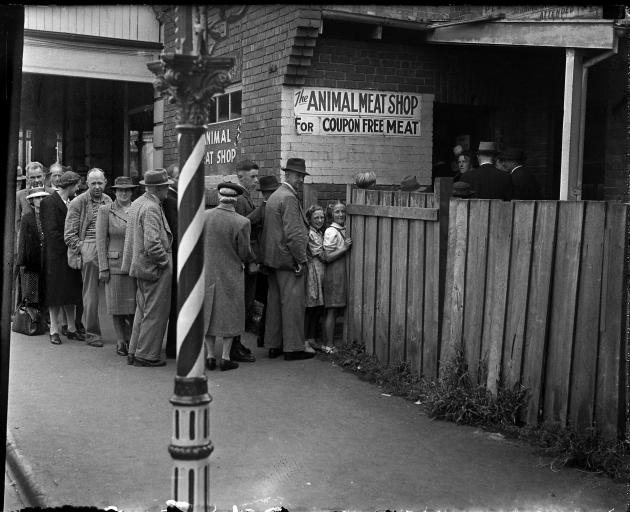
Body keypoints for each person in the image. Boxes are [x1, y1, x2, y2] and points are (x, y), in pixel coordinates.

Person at [260, 157, 314, 361]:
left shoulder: (275, 195)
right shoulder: (289, 197)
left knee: (274, 304)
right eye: (298, 175)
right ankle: (293, 348)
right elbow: (294, 234)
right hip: (288, 260)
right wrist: (301, 259)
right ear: (287, 175)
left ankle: (274, 345)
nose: (300, 179)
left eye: (302, 176)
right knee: (293, 304)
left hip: (273, 259)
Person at [122, 168, 173, 367]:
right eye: (165, 186)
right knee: (155, 313)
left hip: (140, 266)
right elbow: (152, 243)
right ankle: (147, 355)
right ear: (157, 188)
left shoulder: (137, 203)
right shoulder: (151, 207)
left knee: (142, 311)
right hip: (154, 268)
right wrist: (164, 262)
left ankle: (134, 351)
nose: (167, 189)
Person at [202, 182, 254, 372]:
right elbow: (245, 251)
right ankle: (224, 357)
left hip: (207, 271)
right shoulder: (242, 222)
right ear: (235, 199)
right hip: (231, 273)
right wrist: (250, 259)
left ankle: (209, 356)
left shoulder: (204, 217)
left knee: (208, 312)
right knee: (230, 314)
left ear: (219, 197)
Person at [64, 168, 111, 346]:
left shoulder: (108, 200)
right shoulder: (78, 202)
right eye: (93, 183)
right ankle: (92, 334)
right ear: (87, 184)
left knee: (115, 292)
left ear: (105, 182)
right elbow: (69, 235)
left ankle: (125, 335)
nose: (97, 187)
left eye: (100, 183)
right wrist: (84, 249)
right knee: (91, 295)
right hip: (89, 246)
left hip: (108, 247)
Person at [40, 171, 85, 345]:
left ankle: (71, 328)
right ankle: (54, 330)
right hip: (56, 255)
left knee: (71, 291)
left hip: (69, 254)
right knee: (55, 293)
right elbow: (51, 232)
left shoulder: (71, 202)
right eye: (76, 186)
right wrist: (71, 243)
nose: (78, 189)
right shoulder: (49, 202)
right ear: (71, 186)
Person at [96, 176, 138, 357]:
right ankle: (121, 340)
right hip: (114, 264)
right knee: (116, 306)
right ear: (114, 191)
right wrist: (103, 267)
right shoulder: (106, 210)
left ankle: (132, 339)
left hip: (134, 265)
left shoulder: (138, 208)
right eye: (120, 190)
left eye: (127, 190)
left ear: (131, 192)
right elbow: (100, 240)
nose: (123, 193)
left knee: (133, 306)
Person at [232, 159, 260, 363]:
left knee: (246, 303)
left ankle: (236, 343)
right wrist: (262, 210)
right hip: (246, 257)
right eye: (253, 177)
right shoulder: (241, 199)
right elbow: (243, 228)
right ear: (240, 177)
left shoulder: (246, 197)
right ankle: (234, 345)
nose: (256, 180)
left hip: (249, 257)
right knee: (243, 303)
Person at [246, 175, 279, 347]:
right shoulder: (264, 208)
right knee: (269, 300)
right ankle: (263, 336)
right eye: (270, 192)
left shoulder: (268, 207)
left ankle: (264, 337)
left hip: (268, 260)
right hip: (267, 262)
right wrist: (254, 250)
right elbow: (245, 223)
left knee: (268, 300)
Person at [322, 201, 352, 348]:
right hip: (334, 273)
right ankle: (328, 345)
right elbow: (327, 257)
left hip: (342, 273)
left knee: (339, 308)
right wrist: (344, 248)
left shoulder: (344, 228)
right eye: (337, 212)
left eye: (343, 211)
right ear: (331, 214)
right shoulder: (331, 232)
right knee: (332, 309)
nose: (341, 214)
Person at [16, 187, 49, 307]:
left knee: (47, 294)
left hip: (48, 260)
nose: (40, 200)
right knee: (32, 296)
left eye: (43, 197)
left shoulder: (51, 216)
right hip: (32, 261)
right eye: (37, 197)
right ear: (31, 201)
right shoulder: (27, 218)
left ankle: (48, 322)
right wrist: (21, 261)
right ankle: (34, 322)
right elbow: (23, 240)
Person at [304, 204, 326, 352]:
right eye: (316, 217)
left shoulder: (319, 232)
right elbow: (321, 255)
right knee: (311, 307)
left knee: (318, 307)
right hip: (313, 272)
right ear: (310, 219)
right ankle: (306, 340)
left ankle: (312, 338)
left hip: (321, 271)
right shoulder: (311, 234)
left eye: (322, 217)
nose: (319, 220)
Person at [163, 164, 179, 359]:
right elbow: (175, 230)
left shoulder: (174, 197)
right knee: (176, 303)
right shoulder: (171, 199)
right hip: (175, 257)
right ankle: (173, 346)